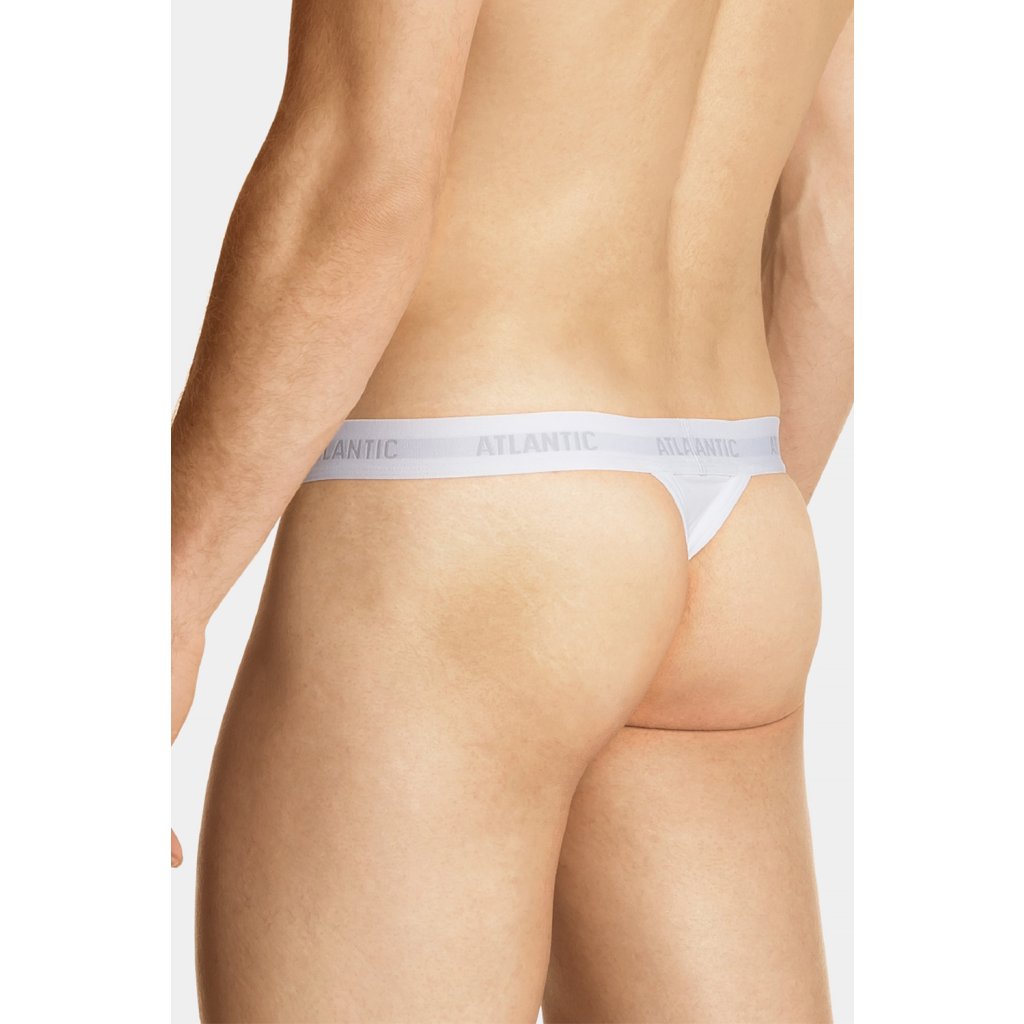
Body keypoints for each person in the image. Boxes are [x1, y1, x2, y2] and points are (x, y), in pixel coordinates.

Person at [172, 0, 853, 1020]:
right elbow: (842, 206)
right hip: (739, 506)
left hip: (468, 511)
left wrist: (170, 592)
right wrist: (683, 569)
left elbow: (354, 178)